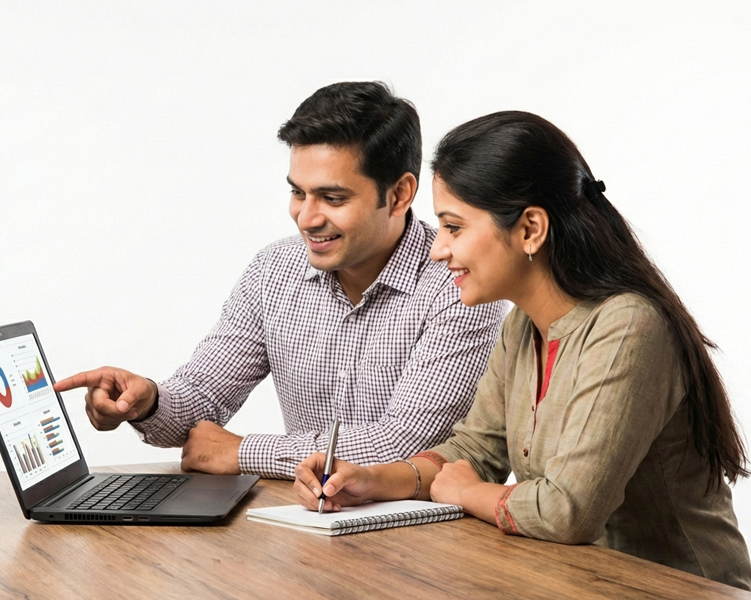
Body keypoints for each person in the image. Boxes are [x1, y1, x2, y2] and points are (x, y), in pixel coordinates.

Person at [294, 111, 751, 589]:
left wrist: (469, 493)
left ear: (530, 228)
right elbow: (475, 450)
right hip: (578, 583)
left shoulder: (629, 327)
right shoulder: (521, 327)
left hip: (678, 590)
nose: (438, 249)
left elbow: (567, 511)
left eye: (454, 227)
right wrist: (370, 481)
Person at [53, 82, 507, 479]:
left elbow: (406, 445)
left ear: (400, 194)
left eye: (332, 197)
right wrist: (146, 401)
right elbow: (200, 401)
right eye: (297, 192)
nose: (306, 218)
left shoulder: (461, 285)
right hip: (305, 529)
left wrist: (244, 452)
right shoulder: (275, 271)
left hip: (426, 546)